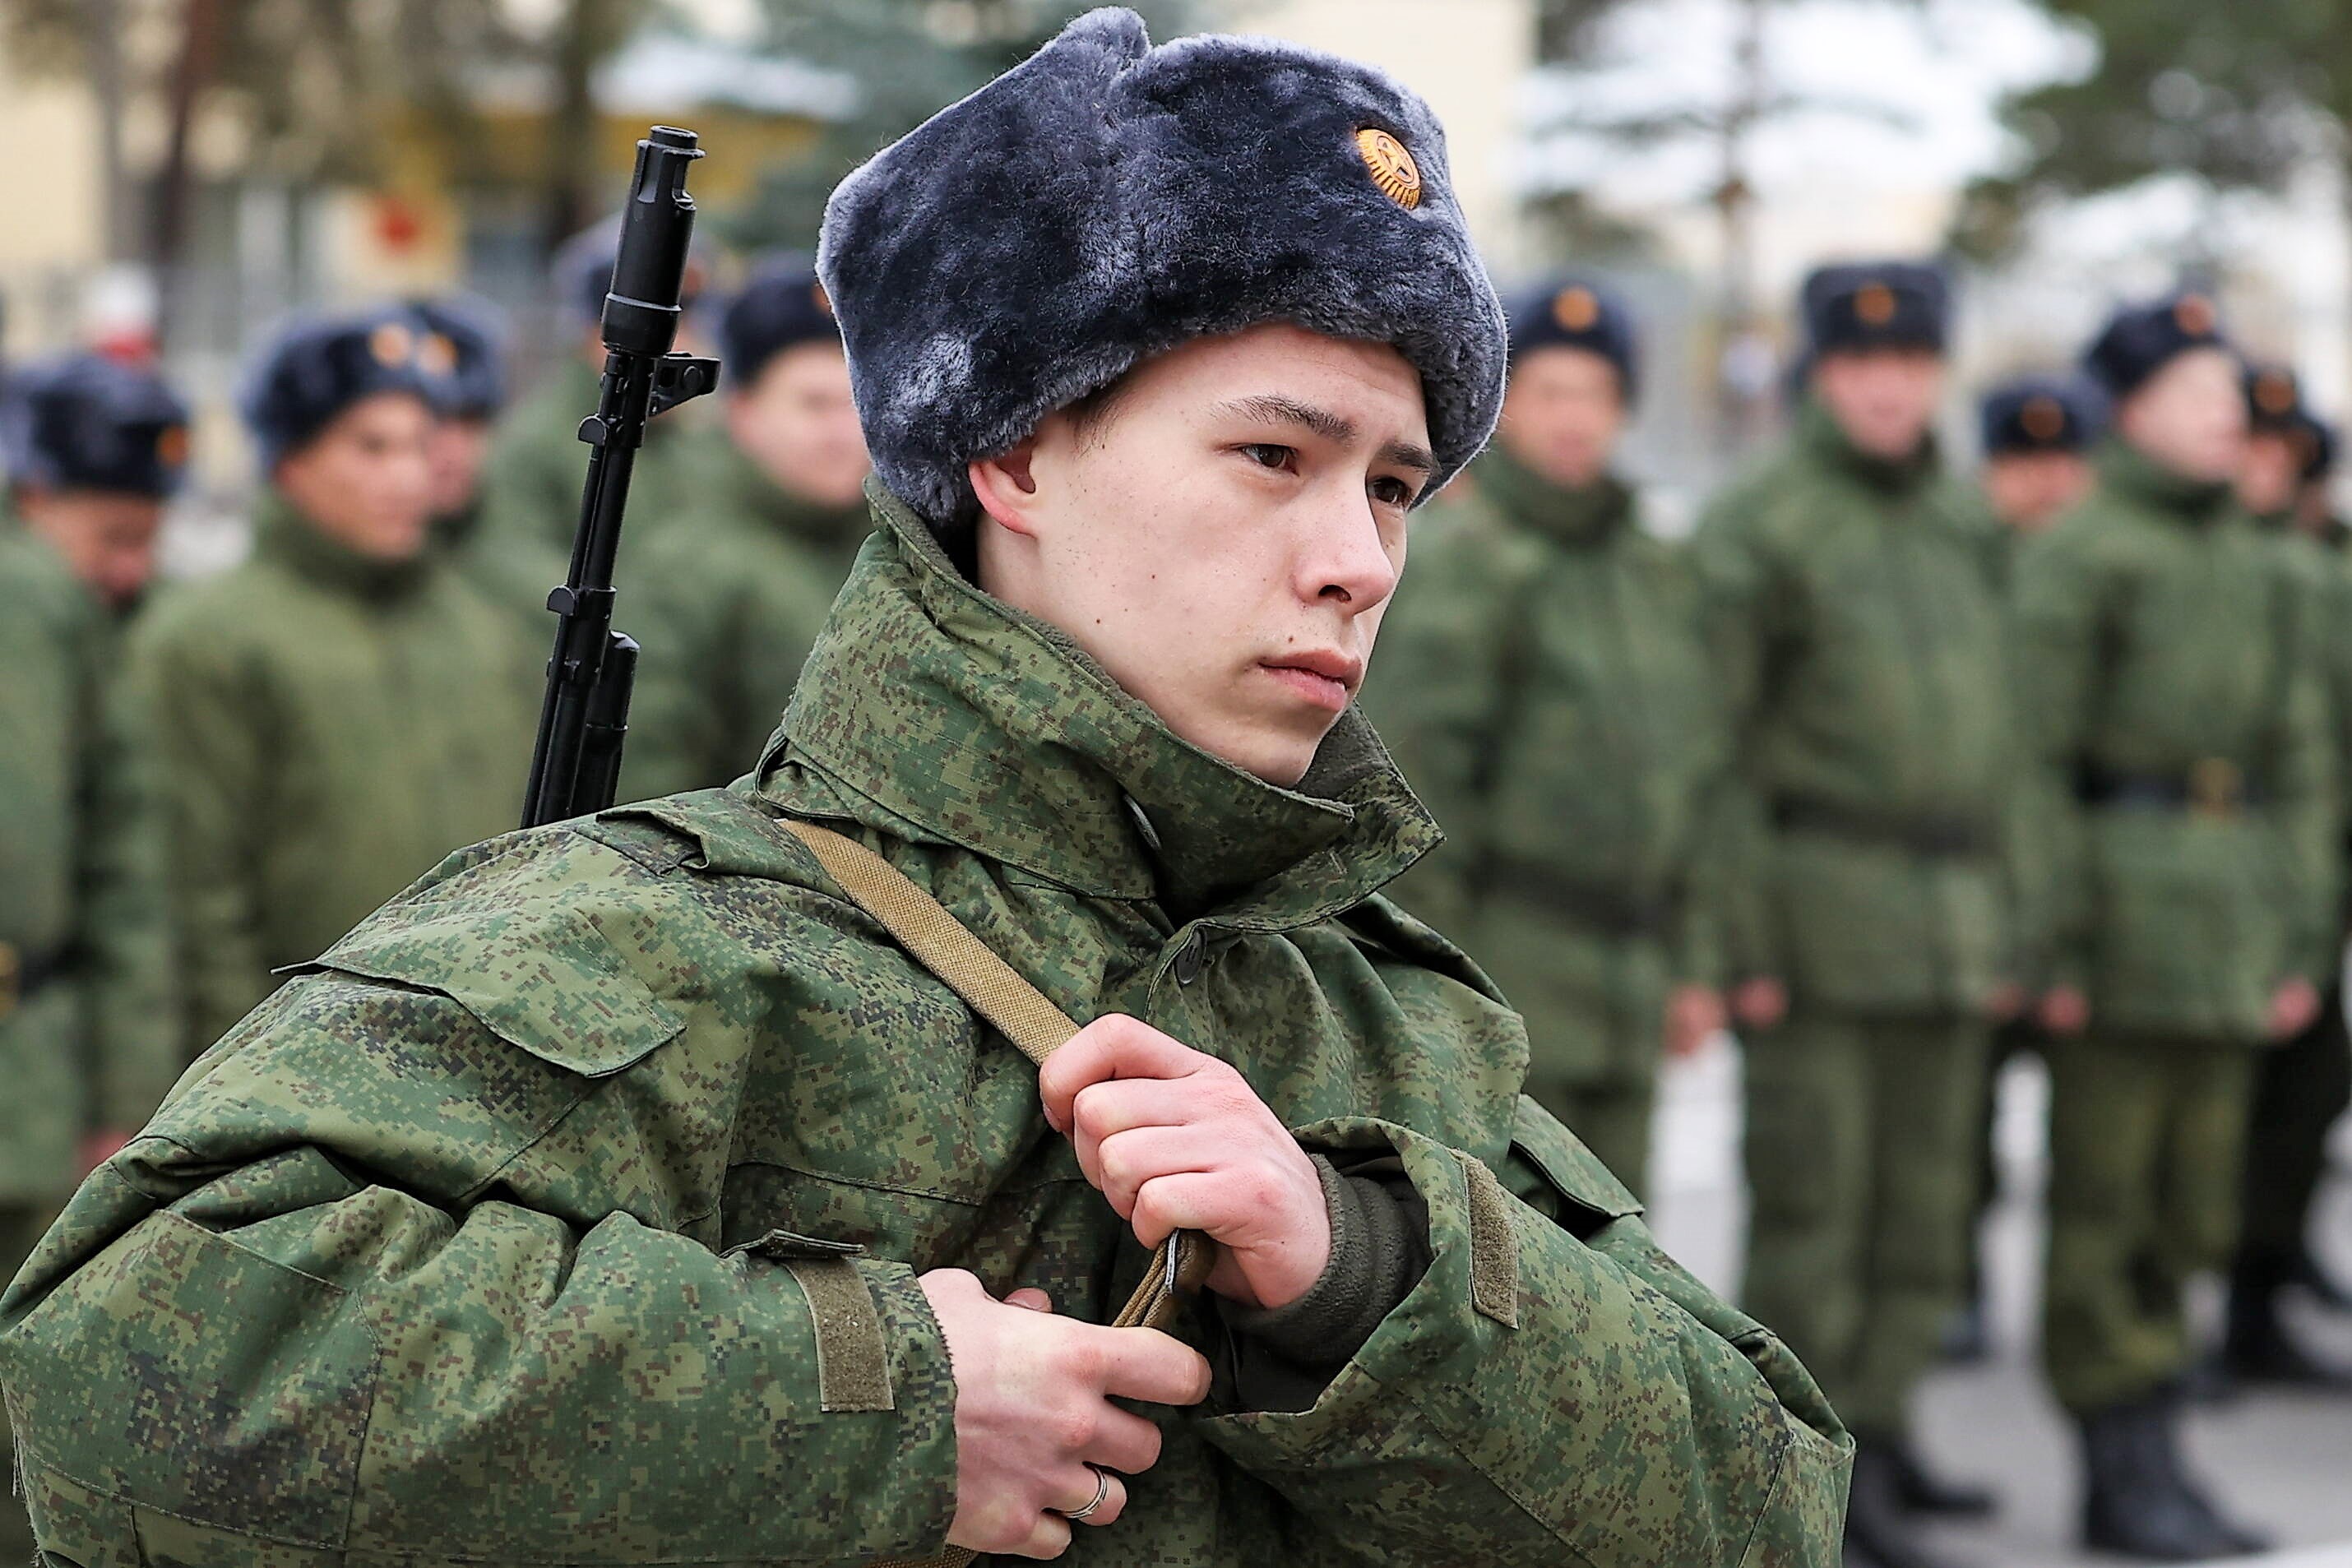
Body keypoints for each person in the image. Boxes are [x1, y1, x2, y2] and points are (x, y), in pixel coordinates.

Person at [0, 16, 1850, 1567]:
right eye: (1272, 452)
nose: (1355, 556)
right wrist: (870, 1396)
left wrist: (1357, 1265)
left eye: (1388, 485)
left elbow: (1771, 1498)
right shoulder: (672, 939)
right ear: (1014, 454)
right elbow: (114, 1375)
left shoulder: (1378, 1006)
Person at [1695, 261, 2018, 1568]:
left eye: (1913, 361)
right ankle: (1807, 1463)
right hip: (1818, 920)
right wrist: (1741, 939)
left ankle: (1884, 1427)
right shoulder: (1763, 523)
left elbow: (2012, 741)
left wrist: (2014, 919)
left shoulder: (1962, 519)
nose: (1889, 385)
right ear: (1823, 372)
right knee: (1818, 1212)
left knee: (1927, 1206)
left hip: (1948, 919)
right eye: (1862, 363)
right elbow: (1709, 749)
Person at [2013, 294, 2337, 1558]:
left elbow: (2302, 766)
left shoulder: (2258, 559)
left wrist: (2298, 940)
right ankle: (2117, 1455)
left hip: (2229, 922)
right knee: (2108, 1200)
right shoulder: (2086, 553)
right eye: (2200, 396)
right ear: (2134, 411)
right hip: (2121, 914)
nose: (2226, 417)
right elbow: (2031, 759)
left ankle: (2162, 1435)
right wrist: (2057, 944)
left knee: (2194, 1202)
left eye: (2230, 396)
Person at [1366, 276, 1729, 1196]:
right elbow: (1422, 793)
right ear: (1504, 405)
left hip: (1631, 977)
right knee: (1516, 1247)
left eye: (1598, 395)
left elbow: (1693, 774)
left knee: (1626, 1253)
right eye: (1550, 392)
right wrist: (1445, 990)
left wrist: (1692, 963)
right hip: (1513, 964)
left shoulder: (1652, 566)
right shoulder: (1466, 561)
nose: (1576, 419)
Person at [123, 307, 543, 1058]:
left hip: (490, 1061)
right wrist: (239, 1081)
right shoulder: (207, 640)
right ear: (291, 461)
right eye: (370, 447)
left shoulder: (483, 627)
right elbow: (197, 896)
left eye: (419, 445)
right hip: (303, 1071)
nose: (408, 475)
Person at [0, 353, 186, 1547]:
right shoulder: (39, 598)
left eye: (150, 538)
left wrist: (121, 1094)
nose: (135, 567)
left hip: (38, 1067)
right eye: (110, 531)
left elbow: (123, 869)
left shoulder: (84, 620)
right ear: (32, 497)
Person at [1943, 369, 2104, 1366]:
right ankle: (1953, 1275)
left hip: (2071, 880)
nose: (2042, 485)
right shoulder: (1969, 567)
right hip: (1976, 883)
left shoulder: (2092, 575)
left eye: (2061, 462)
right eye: (2020, 462)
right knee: (1959, 1116)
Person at [620, 255, 873, 800]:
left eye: (855, 402)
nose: (842, 431)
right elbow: (651, 788)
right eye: (814, 404)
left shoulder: (902, 549)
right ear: (744, 413)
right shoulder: (686, 571)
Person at [2224, 363, 2352, 1386]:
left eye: (2285, 458)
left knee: (2307, 1084)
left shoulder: (2322, 566)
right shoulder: (2222, 568)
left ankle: (2262, 1283)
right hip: (2217, 871)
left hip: (2311, 864)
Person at [476, 215, 715, 585]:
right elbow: (516, 568)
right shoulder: (537, 444)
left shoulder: (695, 435)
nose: (683, 343)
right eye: (664, 329)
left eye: (690, 322)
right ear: (600, 331)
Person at [1977, 373, 2099, 536]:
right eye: (2024, 471)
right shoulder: (1957, 552)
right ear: (1990, 478)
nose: (2041, 487)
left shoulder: (2121, 552)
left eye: (2054, 470)